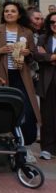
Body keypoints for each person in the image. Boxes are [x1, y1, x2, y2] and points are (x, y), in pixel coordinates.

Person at [0, 1, 40, 162]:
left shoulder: (27, 32)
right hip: (2, 76)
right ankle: (7, 145)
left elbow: (33, 55)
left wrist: (27, 52)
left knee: (27, 110)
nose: (9, 13)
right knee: (5, 110)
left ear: (19, 15)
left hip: (22, 76)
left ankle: (26, 146)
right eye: (6, 11)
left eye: (13, 11)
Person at [35, 11, 56, 160]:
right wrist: (51, 57)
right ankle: (47, 148)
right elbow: (37, 56)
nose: (55, 25)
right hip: (47, 82)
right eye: (52, 22)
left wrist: (47, 56)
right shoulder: (43, 38)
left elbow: (43, 56)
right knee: (47, 116)